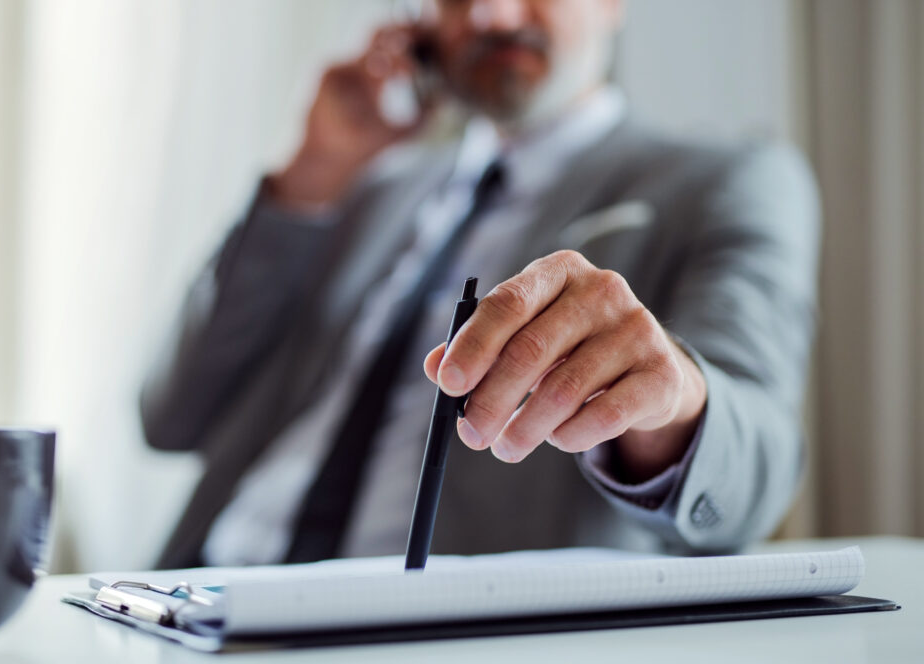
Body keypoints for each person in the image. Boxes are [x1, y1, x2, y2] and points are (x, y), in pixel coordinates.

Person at [141, 0, 819, 570]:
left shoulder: (727, 181)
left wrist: (672, 402)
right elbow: (171, 414)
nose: (492, 14)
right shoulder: (371, 186)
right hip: (204, 605)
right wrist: (315, 171)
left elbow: (755, 471)